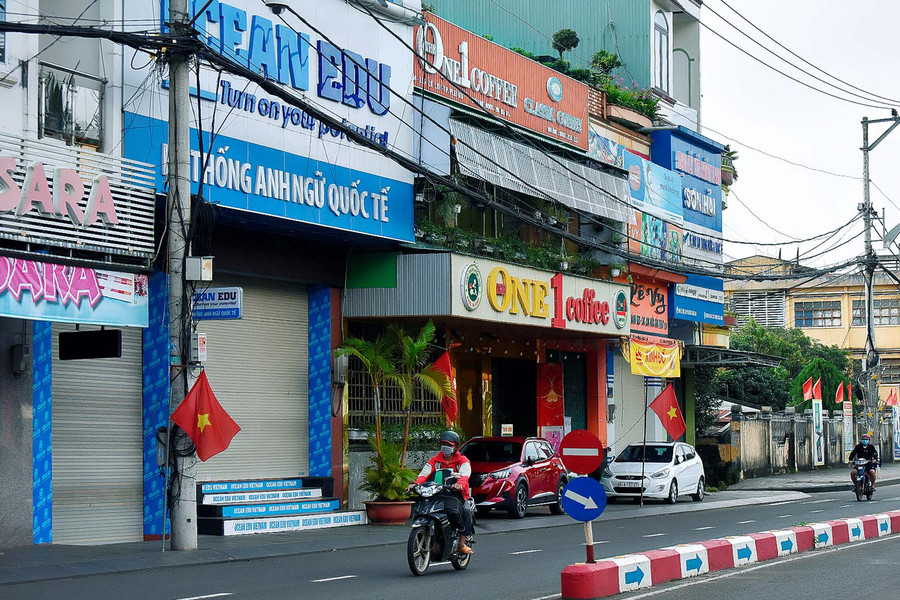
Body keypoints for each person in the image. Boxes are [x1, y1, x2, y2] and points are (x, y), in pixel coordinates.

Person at [407, 430, 474, 555]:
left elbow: (465, 475)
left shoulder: (462, 460)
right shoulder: (435, 460)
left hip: (456, 495)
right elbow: (424, 473)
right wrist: (416, 484)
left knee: (465, 511)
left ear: (455, 447)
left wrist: (459, 484)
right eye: (443, 444)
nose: (445, 447)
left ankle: (461, 543)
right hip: (437, 493)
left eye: (448, 445)